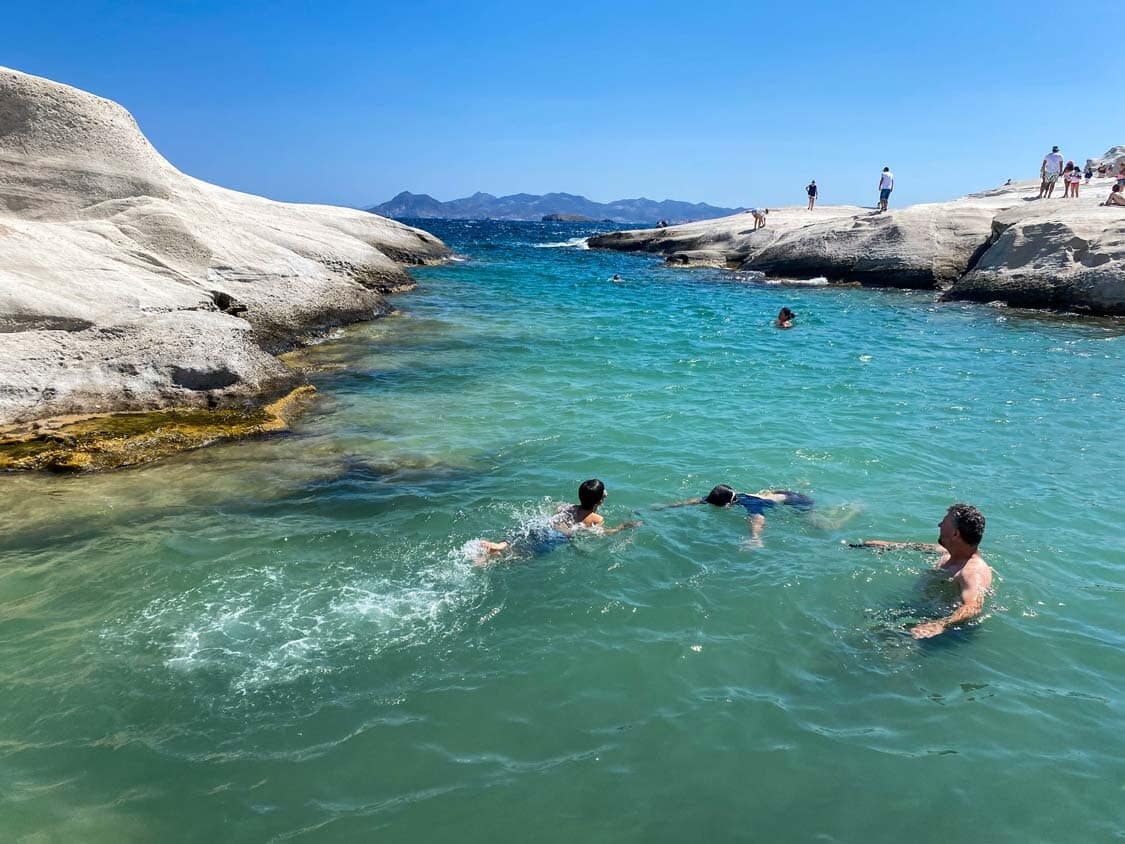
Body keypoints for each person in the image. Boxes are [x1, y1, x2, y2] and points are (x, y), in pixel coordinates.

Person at [850, 503, 992, 639]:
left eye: (944, 522)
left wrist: (940, 624)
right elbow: (916, 547)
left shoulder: (973, 571)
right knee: (865, 626)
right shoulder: (948, 552)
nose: (939, 525)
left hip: (934, 628)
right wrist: (888, 545)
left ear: (955, 534)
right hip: (919, 611)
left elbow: (974, 606)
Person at [473, 479, 640, 565]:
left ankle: (499, 546)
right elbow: (602, 534)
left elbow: (557, 507)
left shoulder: (569, 507)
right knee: (521, 555)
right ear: (600, 501)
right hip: (555, 536)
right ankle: (494, 557)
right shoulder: (596, 518)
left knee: (518, 538)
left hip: (543, 524)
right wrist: (622, 527)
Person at [657, 483, 814, 540]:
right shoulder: (713, 498)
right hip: (779, 494)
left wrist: (755, 538)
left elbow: (758, 518)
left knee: (812, 524)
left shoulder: (749, 503)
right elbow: (693, 501)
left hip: (796, 501)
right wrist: (666, 506)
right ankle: (801, 483)